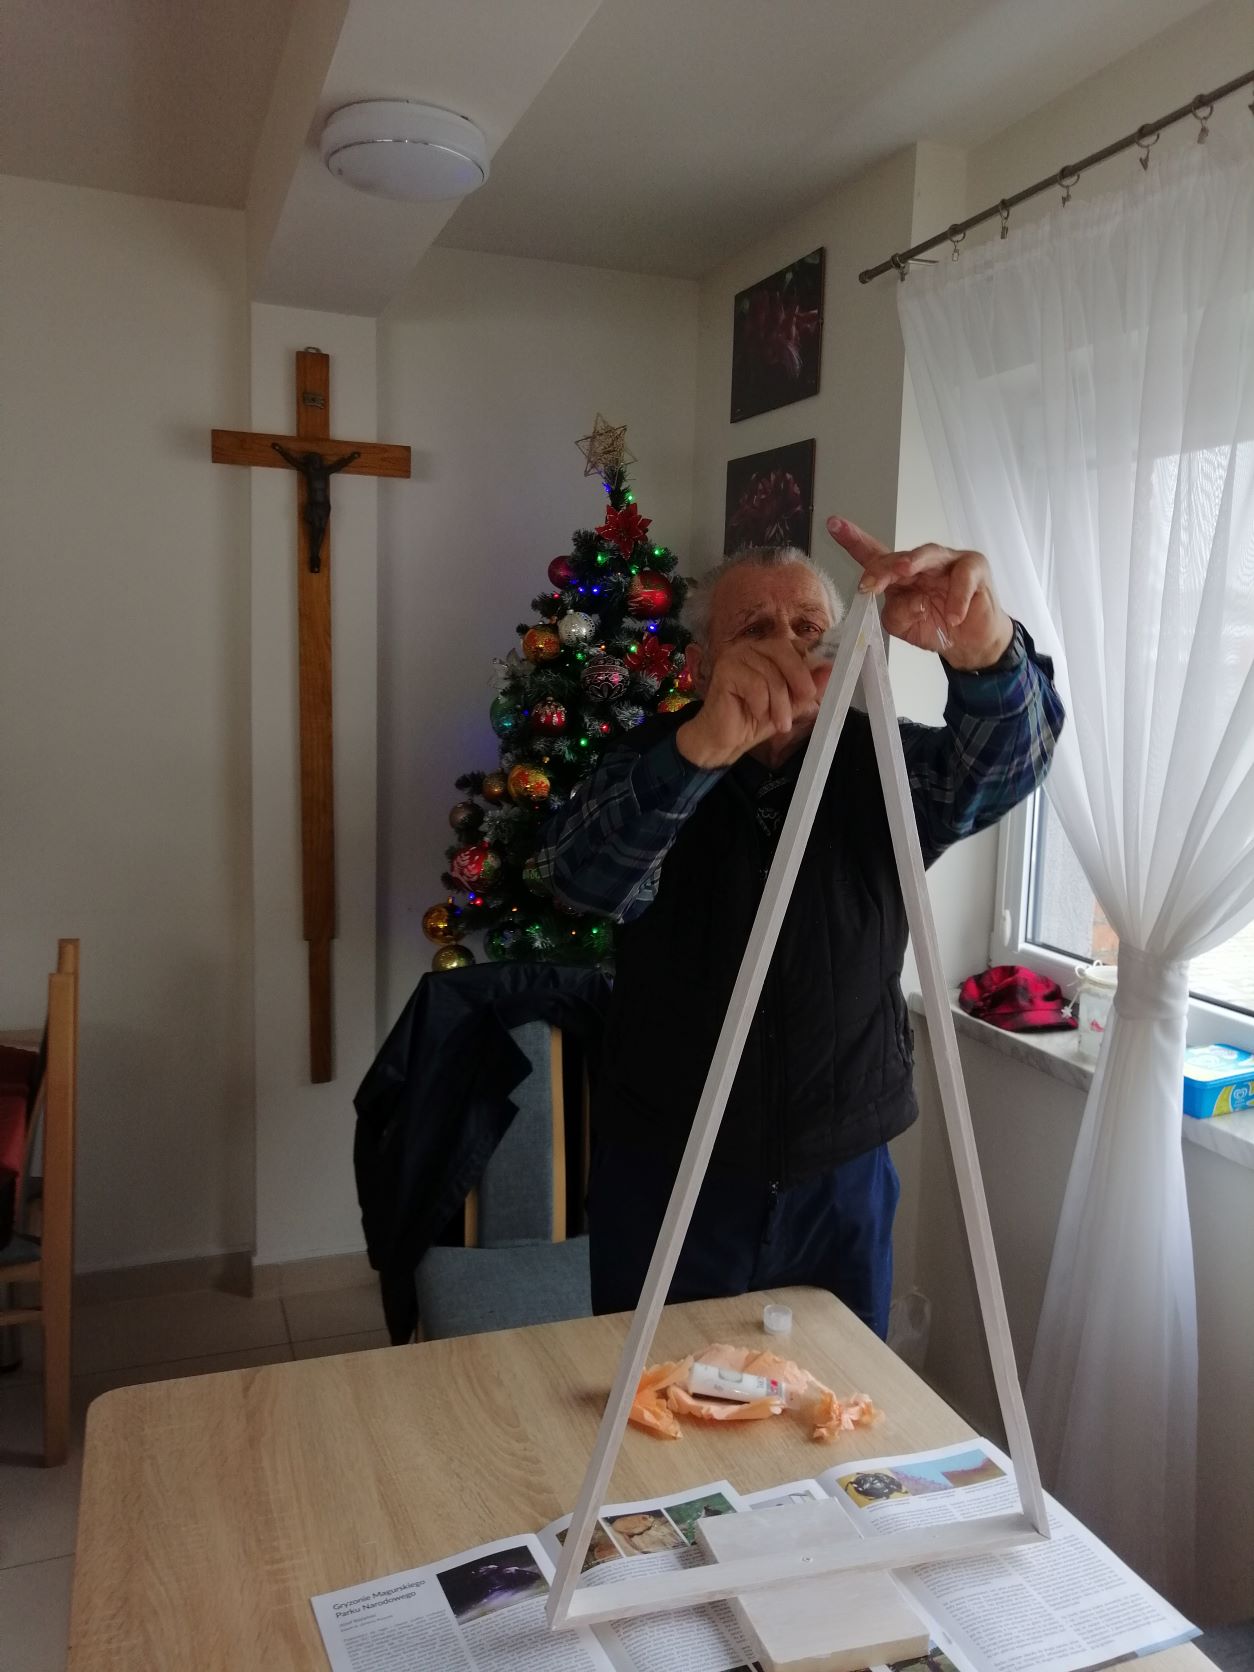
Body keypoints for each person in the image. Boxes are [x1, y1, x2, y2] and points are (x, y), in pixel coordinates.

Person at [534, 516, 1065, 1338]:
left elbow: (1005, 766)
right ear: (700, 666)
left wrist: (985, 651)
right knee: (657, 1397)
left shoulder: (885, 761)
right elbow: (583, 879)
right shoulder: (649, 762)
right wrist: (699, 752)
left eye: (809, 627)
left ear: (845, 649)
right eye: (753, 629)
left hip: (842, 1171)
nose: (785, 645)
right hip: (672, 1166)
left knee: (838, 1398)